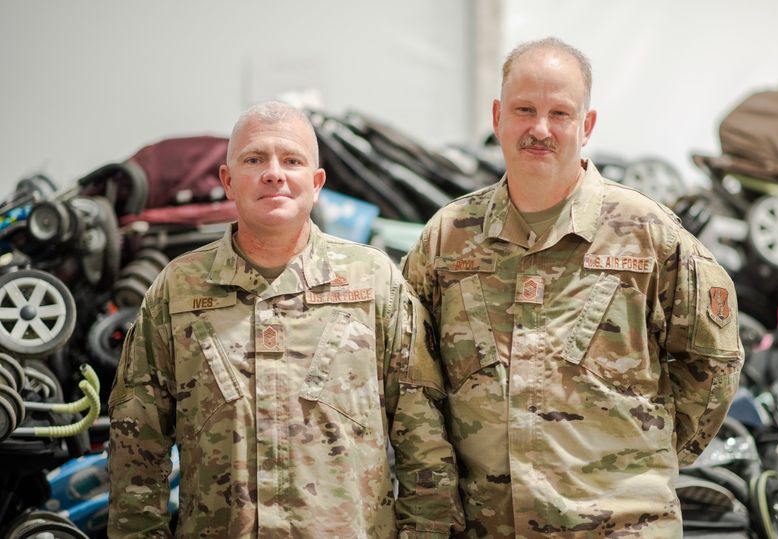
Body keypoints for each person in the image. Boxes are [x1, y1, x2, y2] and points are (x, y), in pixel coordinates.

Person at [402, 37, 744, 537]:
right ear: (498, 116)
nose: (540, 129)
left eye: (559, 113)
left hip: (621, 526)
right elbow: (413, 381)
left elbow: (712, 361)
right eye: (525, 109)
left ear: (586, 126)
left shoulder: (647, 233)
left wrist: (646, 459)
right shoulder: (449, 238)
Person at [108, 101, 464, 538]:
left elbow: (423, 439)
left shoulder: (373, 281)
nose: (274, 173)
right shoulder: (178, 289)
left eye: (291, 160)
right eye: (255, 159)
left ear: (316, 184)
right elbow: (137, 444)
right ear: (227, 182)